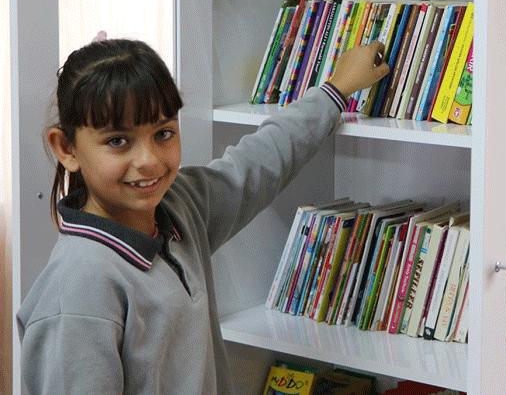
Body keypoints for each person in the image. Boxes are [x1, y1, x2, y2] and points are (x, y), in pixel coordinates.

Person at [16, 37, 389, 394]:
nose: (148, 162)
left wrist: (337, 89)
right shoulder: (76, 293)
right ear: (66, 148)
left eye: (163, 133)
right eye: (118, 141)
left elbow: (258, 163)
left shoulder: (180, 208)